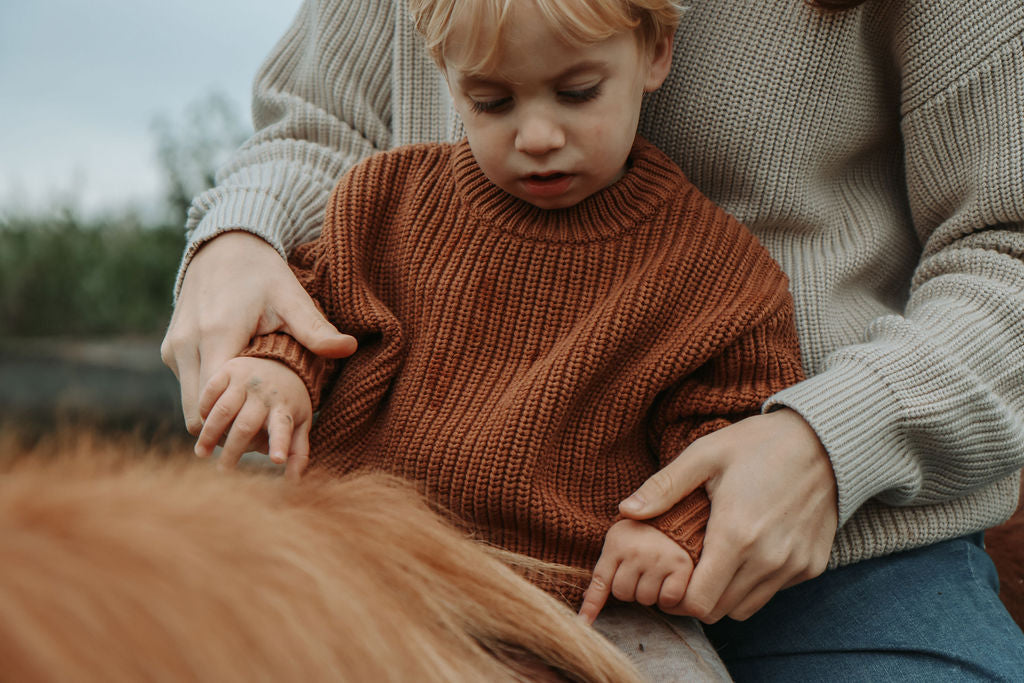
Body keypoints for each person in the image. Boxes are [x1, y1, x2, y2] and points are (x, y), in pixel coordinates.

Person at [161, 0, 1024, 679]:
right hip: (377, 546)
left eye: (576, 92)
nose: (536, 137)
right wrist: (250, 273)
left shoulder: (714, 273)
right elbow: (319, 167)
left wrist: (830, 445)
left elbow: (1006, 246)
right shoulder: (387, 205)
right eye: (491, 101)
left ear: (655, 49)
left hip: (776, 552)